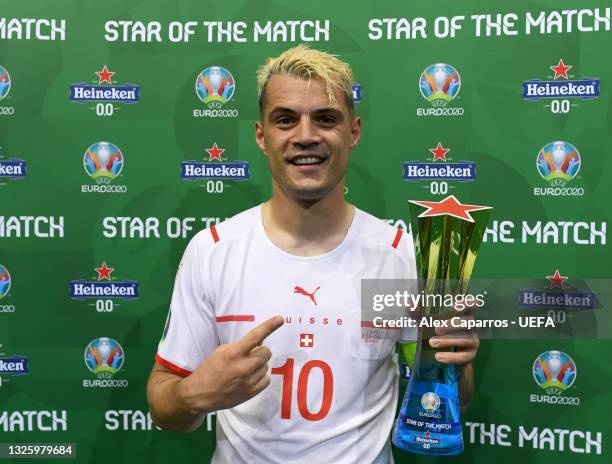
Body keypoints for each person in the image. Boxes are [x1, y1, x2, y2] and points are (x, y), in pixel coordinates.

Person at [146, 45, 479, 463]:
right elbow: (163, 406)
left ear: (353, 132)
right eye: (286, 119)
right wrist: (193, 395)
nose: (306, 136)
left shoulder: (398, 255)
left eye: (325, 118)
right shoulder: (213, 250)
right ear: (261, 135)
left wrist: (450, 362)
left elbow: (451, 403)